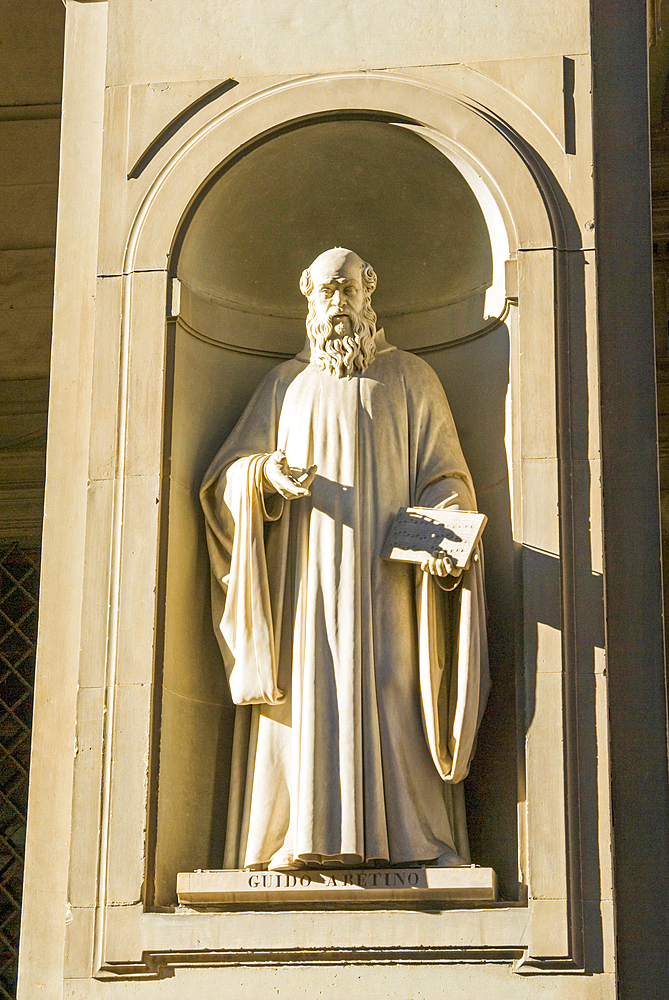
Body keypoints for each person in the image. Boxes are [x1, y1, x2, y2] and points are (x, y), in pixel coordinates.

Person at [201, 247, 489, 871]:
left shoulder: (411, 378)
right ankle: (294, 839)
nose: (336, 303)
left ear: (369, 292)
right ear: (306, 294)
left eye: (347, 290)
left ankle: (413, 843)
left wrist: (443, 533)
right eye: (325, 291)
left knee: (395, 685)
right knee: (304, 701)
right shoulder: (284, 385)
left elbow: (446, 477)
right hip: (305, 586)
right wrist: (262, 480)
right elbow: (224, 479)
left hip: (388, 585)